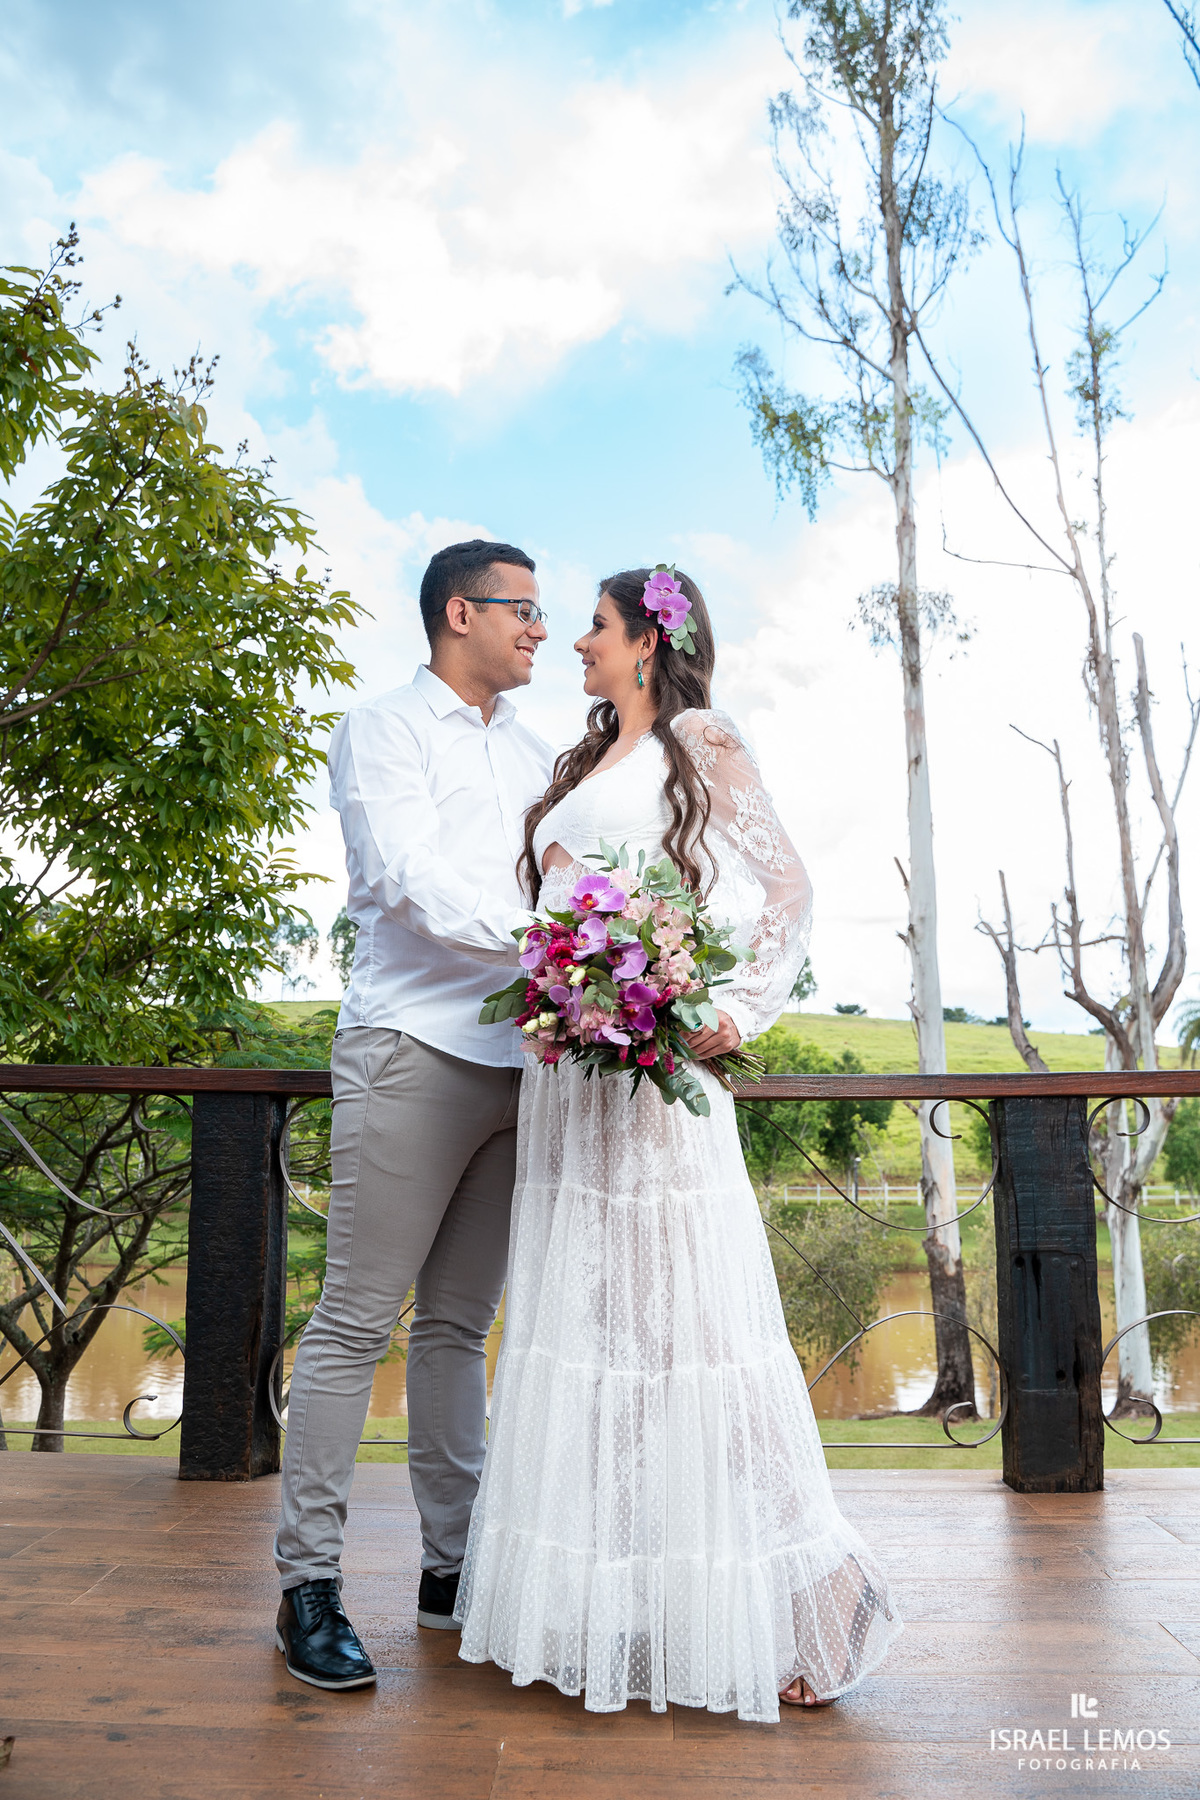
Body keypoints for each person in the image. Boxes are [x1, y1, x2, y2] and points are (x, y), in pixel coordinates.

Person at [455, 567, 901, 1723]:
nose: (578, 649)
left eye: (595, 629)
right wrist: (562, 985)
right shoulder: (588, 757)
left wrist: (726, 1009)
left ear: (650, 638)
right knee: (602, 1333)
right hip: (571, 1086)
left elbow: (787, 891)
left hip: (651, 1086)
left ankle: (825, 1595)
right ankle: (641, 1608)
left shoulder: (699, 737)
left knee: (693, 1331)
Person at [274, 539, 555, 1690]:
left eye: (545, 613)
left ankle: (454, 1573)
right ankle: (308, 1588)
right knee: (353, 1321)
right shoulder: (380, 728)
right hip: (412, 1048)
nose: (540, 630)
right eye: (522, 610)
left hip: (519, 1068)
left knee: (455, 1331)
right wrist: (552, 945)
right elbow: (400, 874)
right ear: (459, 615)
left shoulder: (538, 753)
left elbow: (565, 880)